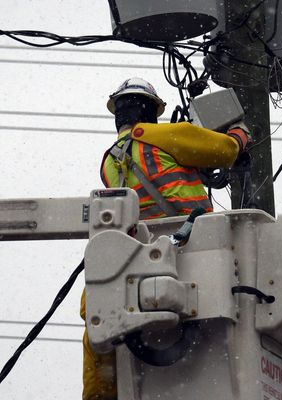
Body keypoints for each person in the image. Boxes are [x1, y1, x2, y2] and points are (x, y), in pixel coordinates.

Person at [80, 77, 250, 400]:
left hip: (138, 264)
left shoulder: (108, 162)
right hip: (194, 250)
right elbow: (224, 151)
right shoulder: (160, 136)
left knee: (98, 322)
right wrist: (240, 136)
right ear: (149, 112)